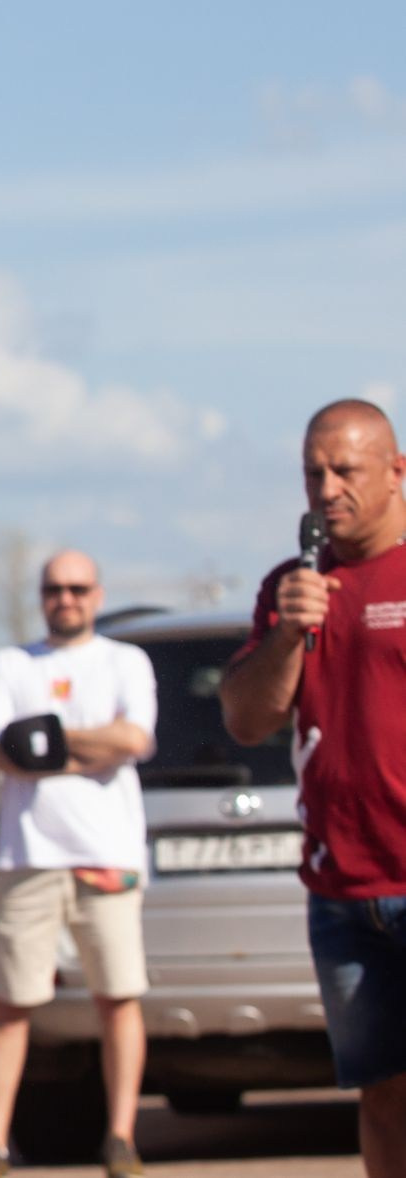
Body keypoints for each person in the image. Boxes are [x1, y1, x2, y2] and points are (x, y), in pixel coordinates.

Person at [221, 397, 406, 1178]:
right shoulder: (291, 586)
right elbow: (246, 718)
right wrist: (290, 632)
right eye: (312, 472)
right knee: (383, 1096)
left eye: (345, 470)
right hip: (341, 892)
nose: (326, 489)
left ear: (397, 473)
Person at [0, 550, 156, 1178]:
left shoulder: (124, 661)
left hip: (107, 857)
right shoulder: (12, 663)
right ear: (43, 595)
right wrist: (88, 743)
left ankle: (122, 1137)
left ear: (97, 595)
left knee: (118, 998)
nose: (66, 599)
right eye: (55, 588)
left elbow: (134, 740)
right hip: (30, 857)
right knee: (12, 1004)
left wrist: (45, 740)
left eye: (77, 588)